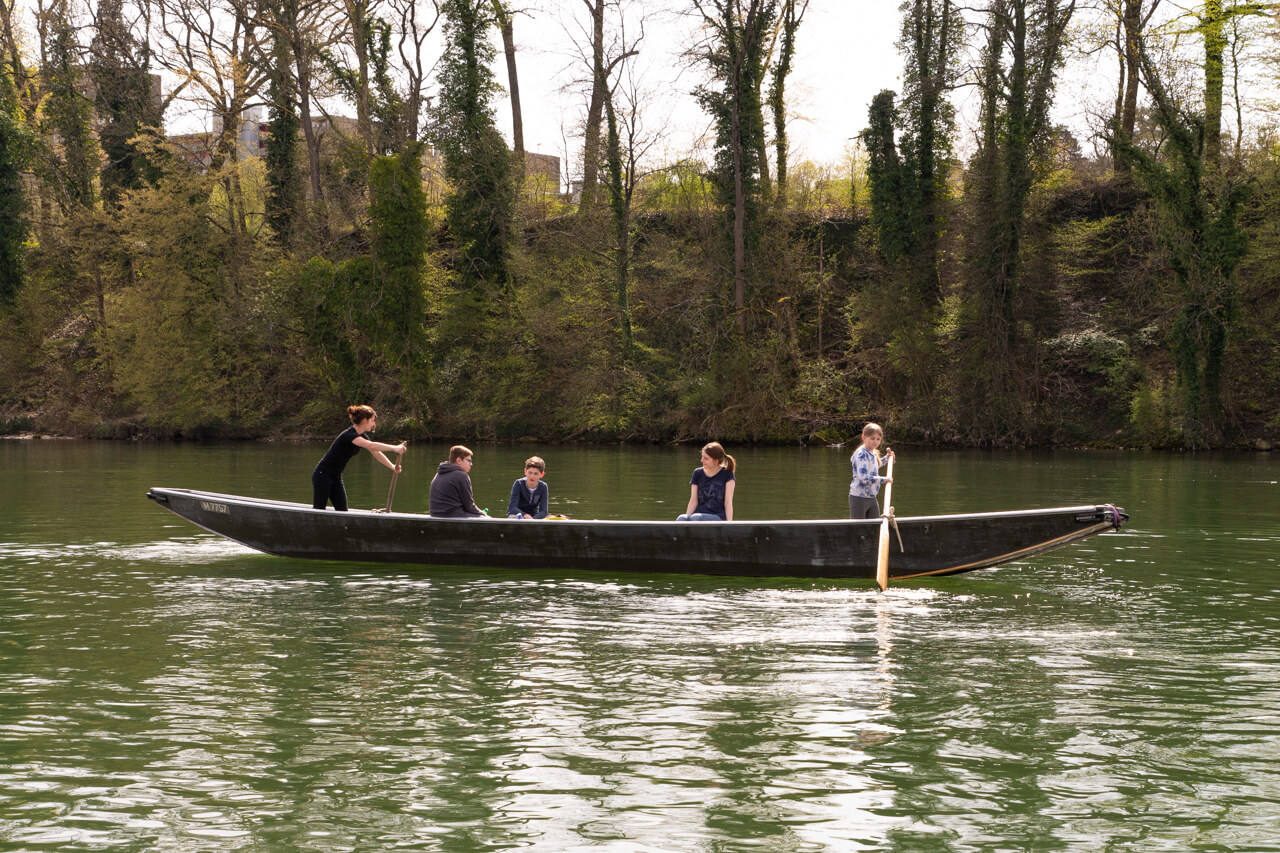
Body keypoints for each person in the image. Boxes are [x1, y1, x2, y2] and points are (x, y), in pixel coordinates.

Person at [312, 405, 406, 511]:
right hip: (322, 475)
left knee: (342, 511)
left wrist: (392, 466)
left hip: (336, 477)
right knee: (319, 510)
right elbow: (371, 445)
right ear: (365, 420)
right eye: (372, 421)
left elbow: (376, 453)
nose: (374, 424)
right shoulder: (350, 435)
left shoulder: (362, 436)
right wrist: (394, 448)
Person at [677, 441, 736, 521]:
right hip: (697, 516)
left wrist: (729, 525)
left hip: (717, 517)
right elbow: (693, 500)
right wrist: (686, 520)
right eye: (702, 457)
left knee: (696, 517)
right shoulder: (697, 473)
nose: (702, 460)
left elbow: (728, 502)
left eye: (706, 458)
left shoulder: (727, 474)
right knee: (681, 518)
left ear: (716, 461)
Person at [849, 422, 895, 519]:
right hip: (859, 498)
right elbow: (864, 478)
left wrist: (886, 458)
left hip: (871, 497)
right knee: (858, 529)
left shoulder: (872, 452)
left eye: (878, 439)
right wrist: (884, 479)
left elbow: (874, 466)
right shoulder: (862, 454)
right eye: (872, 438)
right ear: (864, 438)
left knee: (875, 527)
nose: (875, 442)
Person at [429, 445, 486, 518]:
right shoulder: (461, 476)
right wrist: (484, 515)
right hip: (453, 517)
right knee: (489, 520)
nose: (471, 464)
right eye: (469, 460)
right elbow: (469, 506)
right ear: (459, 460)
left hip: (435, 515)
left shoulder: (438, 474)